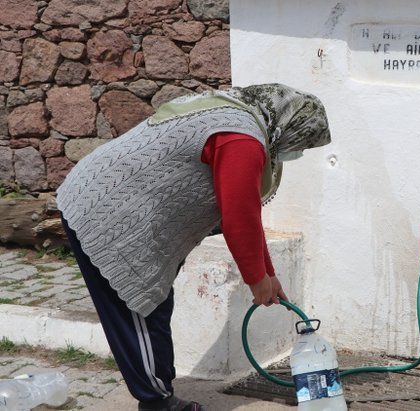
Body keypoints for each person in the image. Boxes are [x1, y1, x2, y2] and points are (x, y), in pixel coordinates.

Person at [56, 84, 331, 411]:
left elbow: (248, 212)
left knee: (154, 306)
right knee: (138, 312)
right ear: (290, 126)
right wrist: (257, 279)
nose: (295, 152)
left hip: (125, 214)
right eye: (300, 142)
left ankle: (160, 393)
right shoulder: (241, 139)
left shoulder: (235, 118)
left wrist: (269, 275)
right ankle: (157, 402)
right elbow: (238, 218)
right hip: (107, 215)